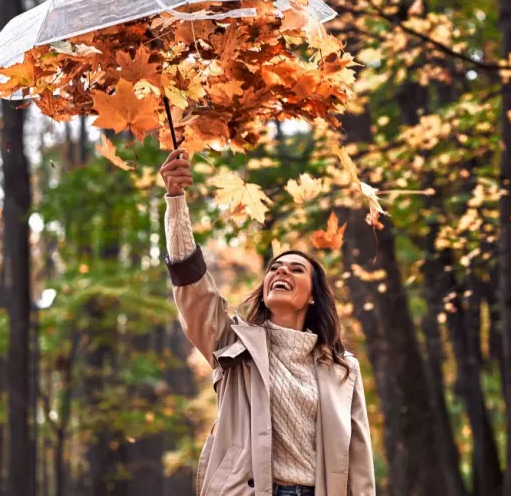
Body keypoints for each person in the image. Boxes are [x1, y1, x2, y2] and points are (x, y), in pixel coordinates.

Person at [159, 149, 376, 496]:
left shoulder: (342, 368)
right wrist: (175, 200)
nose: (281, 271)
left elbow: (358, 462)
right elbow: (194, 288)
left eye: (296, 269)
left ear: (313, 296)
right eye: (274, 268)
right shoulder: (233, 343)